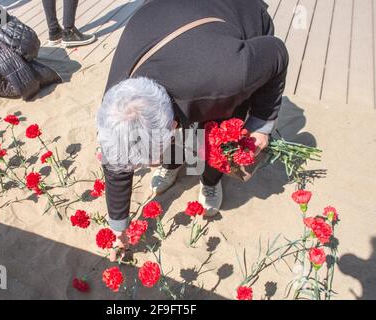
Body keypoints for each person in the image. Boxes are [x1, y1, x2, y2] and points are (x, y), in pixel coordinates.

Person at [96, 0, 289, 259]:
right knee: (177, 139)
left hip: (239, 21)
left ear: (174, 126)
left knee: (219, 133)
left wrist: (261, 124)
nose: (146, 165)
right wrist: (118, 225)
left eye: (150, 160)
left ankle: (210, 181)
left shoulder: (229, 77)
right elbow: (117, 157)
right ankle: (173, 164)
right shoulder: (118, 105)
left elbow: (277, 53)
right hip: (174, 21)